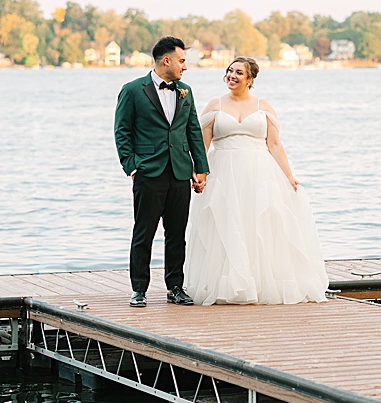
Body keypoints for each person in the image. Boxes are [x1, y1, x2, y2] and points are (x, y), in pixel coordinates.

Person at [186, 56, 329, 305]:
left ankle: (258, 283)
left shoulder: (264, 106)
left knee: (257, 225)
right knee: (227, 224)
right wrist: (199, 173)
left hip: (259, 171)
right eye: (230, 71)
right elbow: (203, 144)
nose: (232, 75)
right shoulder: (215, 105)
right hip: (223, 170)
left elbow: (274, 144)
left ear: (250, 79)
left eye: (239, 72)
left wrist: (288, 176)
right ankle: (227, 284)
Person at [113, 36, 208, 308]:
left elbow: (193, 131)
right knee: (144, 232)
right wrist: (132, 166)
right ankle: (139, 289)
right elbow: (122, 132)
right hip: (148, 172)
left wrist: (200, 168)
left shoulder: (185, 91)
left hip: (179, 172)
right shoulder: (132, 90)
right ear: (166, 60)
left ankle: (175, 287)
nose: (184, 67)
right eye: (181, 61)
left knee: (176, 234)